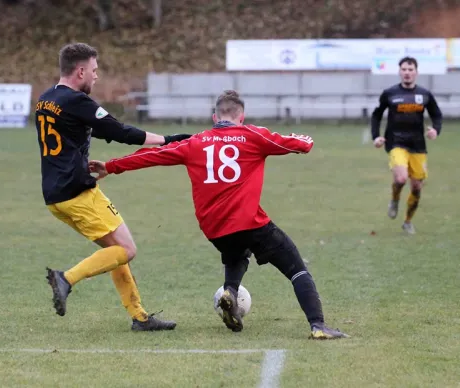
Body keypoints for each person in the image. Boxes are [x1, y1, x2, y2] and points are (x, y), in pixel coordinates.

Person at [89, 90, 349, 339]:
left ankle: (230, 293)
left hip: (215, 229)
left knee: (237, 252)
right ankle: (318, 326)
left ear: (215, 118)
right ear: (241, 116)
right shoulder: (253, 135)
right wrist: (305, 139)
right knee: (296, 269)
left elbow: (154, 155)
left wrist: (112, 166)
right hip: (250, 223)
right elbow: (301, 145)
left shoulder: (196, 142)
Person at [36, 42, 190, 331]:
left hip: (55, 196)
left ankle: (139, 317)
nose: (97, 76)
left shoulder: (45, 99)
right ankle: (65, 279)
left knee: (114, 251)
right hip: (77, 192)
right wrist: (169, 140)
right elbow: (120, 132)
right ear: (80, 71)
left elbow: (64, 143)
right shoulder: (77, 102)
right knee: (127, 249)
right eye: (94, 70)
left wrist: (81, 162)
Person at [371, 56, 443, 234]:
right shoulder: (390, 93)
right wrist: (376, 136)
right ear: (399, 72)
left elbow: (437, 115)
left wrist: (435, 130)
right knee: (401, 178)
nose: (407, 73)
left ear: (416, 73)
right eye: (404, 69)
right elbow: (376, 115)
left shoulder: (424, 94)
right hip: (396, 142)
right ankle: (395, 199)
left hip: (418, 145)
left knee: (417, 187)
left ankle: (408, 222)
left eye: (410, 70)